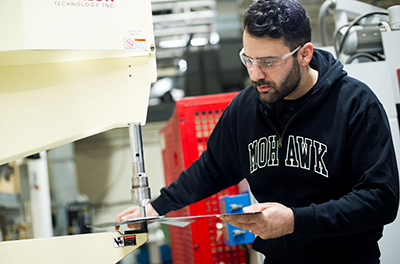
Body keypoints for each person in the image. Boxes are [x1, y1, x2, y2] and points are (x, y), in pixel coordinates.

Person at [116, 0, 399, 263]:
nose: (255, 74)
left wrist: (294, 220)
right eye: (248, 59)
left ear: (304, 54)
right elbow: (212, 169)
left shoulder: (355, 104)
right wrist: (155, 208)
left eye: (268, 62)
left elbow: (380, 199)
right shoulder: (245, 108)